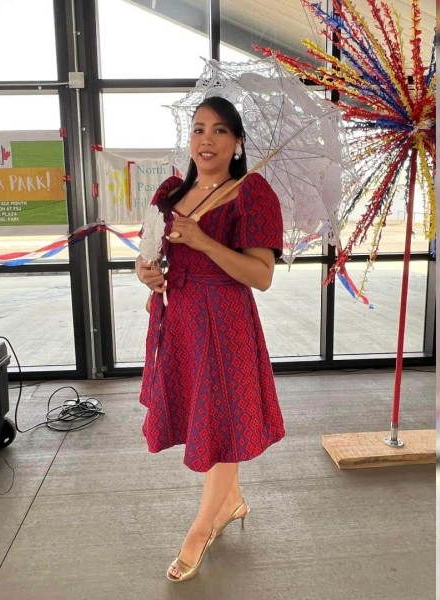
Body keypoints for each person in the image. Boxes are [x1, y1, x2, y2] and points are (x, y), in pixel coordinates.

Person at [135, 96, 285, 582]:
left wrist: (201, 240)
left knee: (219, 424)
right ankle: (231, 503)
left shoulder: (252, 193)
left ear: (238, 142)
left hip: (225, 326)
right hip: (180, 325)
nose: (207, 139)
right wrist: (148, 273)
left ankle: (200, 528)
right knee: (214, 421)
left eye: (220, 131)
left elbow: (260, 276)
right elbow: (150, 257)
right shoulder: (170, 194)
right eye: (199, 129)